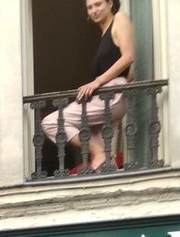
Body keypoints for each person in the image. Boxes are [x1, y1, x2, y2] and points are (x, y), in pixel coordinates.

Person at [40, 0, 134, 172]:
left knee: (51, 122)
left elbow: (128, 57)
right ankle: (102, 158)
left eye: (98, 4)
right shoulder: (105, 34)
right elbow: (131, 72)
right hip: (109, 97)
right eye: (90, 7)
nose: (93, 10)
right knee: (105, 166)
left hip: (110, 95)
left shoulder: (119, 18)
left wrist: (98, 82)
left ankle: (98, 151)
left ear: (110, 3)